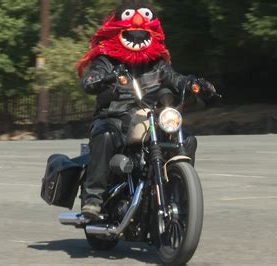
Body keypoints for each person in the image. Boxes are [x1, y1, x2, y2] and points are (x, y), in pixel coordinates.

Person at [76, 0, 216, 220]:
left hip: (151, 115)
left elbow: (174, 78)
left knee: (187, 140)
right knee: (104, 135)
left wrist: (194, 85)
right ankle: (93, 199)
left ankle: (179, 192)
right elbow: (89, 80)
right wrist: (102, 78)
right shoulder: (106, 59)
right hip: (114, 115)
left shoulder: (157, 63)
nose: (138, 29)